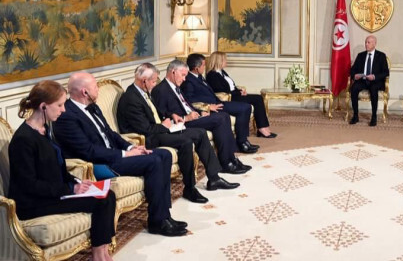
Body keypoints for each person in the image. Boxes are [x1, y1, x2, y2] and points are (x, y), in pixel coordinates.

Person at [53, 72, 187, 237]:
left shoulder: (93, 106)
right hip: (101, 164)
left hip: (114, 155)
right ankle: (158, 222)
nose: (98, 90)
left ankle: (164, 215)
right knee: (154, 161)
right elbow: (88, 151)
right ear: (84, 92)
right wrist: (123, 154)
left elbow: (111, 133)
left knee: (164, 155)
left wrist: (131, 148)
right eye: (95, 87)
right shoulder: (66, 116)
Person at [9, 80, 116, 261]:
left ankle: (103, 252)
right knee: (101, 201)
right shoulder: (23, 140)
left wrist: (78, 182)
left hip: (53, 193)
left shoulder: (45, 128)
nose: (63, 110)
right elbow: (29, 185)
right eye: (59, 105)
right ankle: (98, 256)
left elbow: (57, 167)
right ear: (43, 106)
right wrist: (70, 190)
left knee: (108, 195)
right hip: (33, 203)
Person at [116, 62, 240, 198]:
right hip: (149, 137)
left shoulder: (144, 91)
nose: (154, 84)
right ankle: (189, 188)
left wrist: (171, 116)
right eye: (153, 81)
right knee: (185, 141)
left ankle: (214, 178)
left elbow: (156, 114)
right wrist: (165, 126)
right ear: (144, 81)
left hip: (159, 130)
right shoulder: (131, 99)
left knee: (200, 133)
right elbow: (145, 129)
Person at [151, 60, 252, 174]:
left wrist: (200, 111)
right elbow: (162, 114)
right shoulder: (160, 90)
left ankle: (231, 159)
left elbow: (187, 104)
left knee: (223, 116)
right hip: (183, 123)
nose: (184, 79)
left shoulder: (176, 86)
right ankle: (226, 163)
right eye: (183, 75)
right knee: (220, 118)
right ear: (173, 72)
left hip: (193, 117)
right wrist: (186, 117)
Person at [182, 53, 258, 153]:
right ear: (196, 68)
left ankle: (242, 141)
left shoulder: (199, 76)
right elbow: (190, 101)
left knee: (246, 107)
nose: (205, 67)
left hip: (218, 102)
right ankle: (241, 144)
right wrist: (208, 107)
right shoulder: (188, 81)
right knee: (243, 108)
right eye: (204, 65)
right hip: (212, 107)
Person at [206, 51, 277, 138]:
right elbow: (223, 90)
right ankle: (262, 128)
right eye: (224, 60)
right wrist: (238, 92)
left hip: (235, 95)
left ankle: (263, 127)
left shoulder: (222, 72)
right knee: (257, 99)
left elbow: (231, 86)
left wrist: (239, 90)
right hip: (229, 98)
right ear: (218, 61)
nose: (226, 61)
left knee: (258, 98)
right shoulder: (212, 75)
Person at [348, 35, 390, 127]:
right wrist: (355, 75)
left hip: (375, 82)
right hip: (363, 80)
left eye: (368, 42)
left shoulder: (381, 56)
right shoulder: (361, 55)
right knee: (354, 88)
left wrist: (374, 76)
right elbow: (353, 69)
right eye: (365, 42)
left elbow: (386, 72)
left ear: (374, 44)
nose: (366, 44)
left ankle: (374, 117)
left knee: (373, 88)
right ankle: (355, 116)